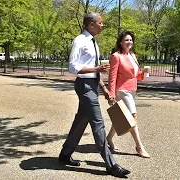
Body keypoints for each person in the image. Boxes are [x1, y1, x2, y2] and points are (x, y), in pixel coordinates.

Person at [58, 12, 131, 178]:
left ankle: (65, 154)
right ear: (91, 24)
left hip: (92, 84)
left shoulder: (93, 42)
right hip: (83, 85)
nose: (102, 25)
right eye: (100, 23)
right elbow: (72, 67)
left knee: (81, 121)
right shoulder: (80, 41)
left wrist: (103, 88)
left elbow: (94, 71)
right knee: (98, 124)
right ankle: (111, 165)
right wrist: (96, 69)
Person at [107, 31, 150, 158]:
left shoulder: (132, 55)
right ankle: (139, 146)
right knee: (132, 117)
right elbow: (112, 76)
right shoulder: (116, 56)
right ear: (120, 42)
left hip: (132, 90)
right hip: (122, 90)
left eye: (131, 40)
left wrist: (145, 73)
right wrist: (111, 93)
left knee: (122, 117)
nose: (129, 42)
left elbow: (136, 76)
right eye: (126, 40)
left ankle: (109, 138)